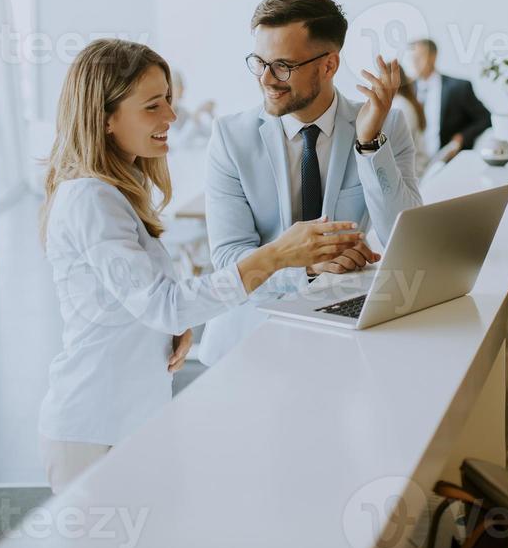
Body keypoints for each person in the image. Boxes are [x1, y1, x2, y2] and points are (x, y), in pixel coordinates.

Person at [38, 39, 361, 493]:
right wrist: (275, 255)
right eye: (153, 106)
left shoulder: (115, 192)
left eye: (169, 100)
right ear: (106, 118)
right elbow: (165, 305)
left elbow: (144, 303)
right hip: (94, 430)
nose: (171, 117)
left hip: (125, 422)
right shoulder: (91, 197)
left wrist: (166, 327)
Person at [200, 0, 422, 366]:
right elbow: (227, 259)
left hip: (342, 336)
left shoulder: (386, 125)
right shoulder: (229, 137)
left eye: (283, 65)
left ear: (329, 65)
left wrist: (369, 145)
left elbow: (404, 240)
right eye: (259, 62)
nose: (267, 79)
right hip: (247, 343)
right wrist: (306, 264)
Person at [409, 39, 491, 165]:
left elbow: (485, 118)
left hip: (446, 162)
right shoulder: (408, 90)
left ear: (433, 56)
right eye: (413, 58)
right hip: (413, 164)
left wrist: (461, 138)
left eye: (419, 57)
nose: (415, 62)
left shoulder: (458, 88)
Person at [392, 65, 429, 179]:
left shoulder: (400, 106)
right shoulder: (404, 102)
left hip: (413, 172)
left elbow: (398, 146)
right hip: (415, 167)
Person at [169, 69, 215, 146]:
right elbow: (178, 143)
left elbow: (210, 134)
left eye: (182, 85)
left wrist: (210, 113)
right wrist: (194, 117)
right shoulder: (161, 117)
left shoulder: (183, 112)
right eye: (179, 85)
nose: (183, 89)